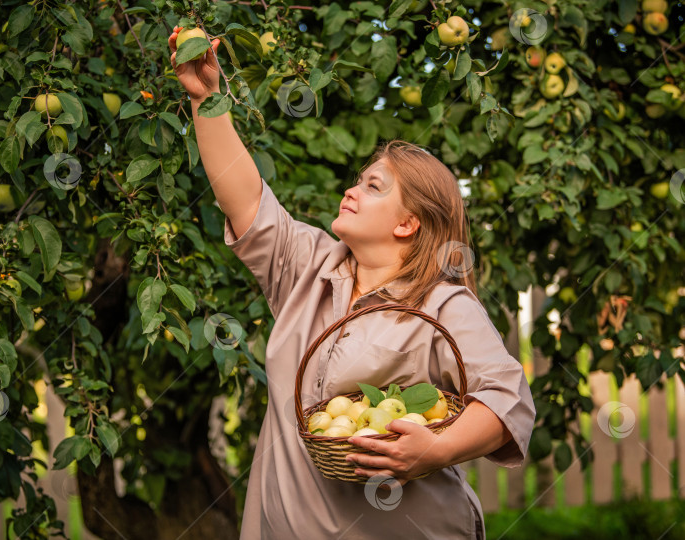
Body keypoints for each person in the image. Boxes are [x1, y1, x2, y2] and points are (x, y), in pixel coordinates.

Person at [168, 27, 536, 540]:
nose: (351, 190)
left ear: (407, 223)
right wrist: (206, 97)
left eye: (373, 186)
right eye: (358, 179)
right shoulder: (310, 267)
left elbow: (508, 400)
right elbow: (246, 199)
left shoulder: (442, 304)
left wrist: (435, 449)